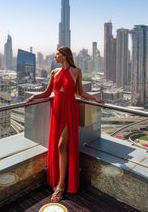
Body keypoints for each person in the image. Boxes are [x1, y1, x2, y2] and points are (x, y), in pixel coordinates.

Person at [25, 46, 105, 202]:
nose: (55, 56)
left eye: (57, 54)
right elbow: (48, 93)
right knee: (58, 145)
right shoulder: (54, 72)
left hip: (70, 111)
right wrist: (33, 97)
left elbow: (80, 93)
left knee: (62, 145)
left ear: (65, 55)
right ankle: (59, 179)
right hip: (56, 110)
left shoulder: (77, 71)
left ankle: (61, 186)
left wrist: (95, 98)